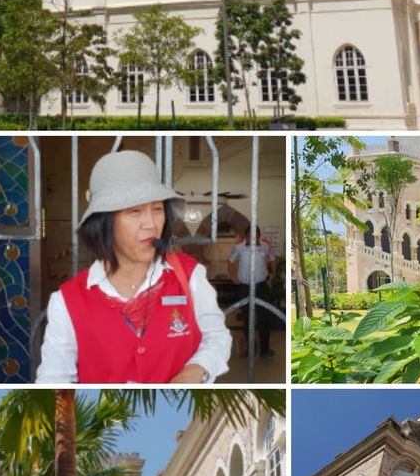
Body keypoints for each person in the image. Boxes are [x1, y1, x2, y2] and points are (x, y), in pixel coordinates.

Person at [36, 150, 231, 384]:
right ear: (104, 223)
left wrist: (196, 370)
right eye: (134, 211)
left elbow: (216, 336)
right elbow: (54, 381)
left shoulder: (189, 276)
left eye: (157, 209)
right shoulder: (67, 301)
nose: (150, 224)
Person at [227, 227, 275, 357]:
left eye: (255, 236)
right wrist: (232, 276)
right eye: (250, 236)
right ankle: (251, 348)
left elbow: (271, 259)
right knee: (248, 319)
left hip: (261, 287)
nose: (252, 239)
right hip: (245, 287)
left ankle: (265, 350)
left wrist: (272, 275)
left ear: (259, 236)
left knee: (264, 319)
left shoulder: (265, 246)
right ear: (245, 236)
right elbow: (230, 261)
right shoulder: (239, 247)